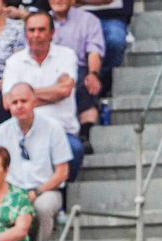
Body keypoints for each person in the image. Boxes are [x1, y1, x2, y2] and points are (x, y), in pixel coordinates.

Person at [0, 83, 70, 241]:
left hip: (45, 190)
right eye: (15, 102)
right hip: (10, 192)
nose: (19, 106)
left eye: (24, 101)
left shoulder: (53, 128)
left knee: (43, 207)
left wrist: (35, 193)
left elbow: (62, 173)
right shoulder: (1, 132)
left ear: (34, 101)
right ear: (8, 106)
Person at [2, 11, 81, 173]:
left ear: (52, 33)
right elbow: (8, 102)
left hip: (63, 131)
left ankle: (62, 192)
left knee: (76, 150)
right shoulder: (14, 62)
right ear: (25, 34)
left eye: (41, 30)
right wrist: (53, 94)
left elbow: (65, 90)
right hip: (24, 133)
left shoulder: (66, 56)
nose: (36, 35)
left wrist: (24, 96)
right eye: (31, 30)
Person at [46, 0, 105, 152]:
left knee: (85, 84)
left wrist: (93, 74)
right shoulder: (42, 21)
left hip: (78, 67)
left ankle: (84, 133)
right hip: (47, 67)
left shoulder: (89, 20)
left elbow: (94, 51)